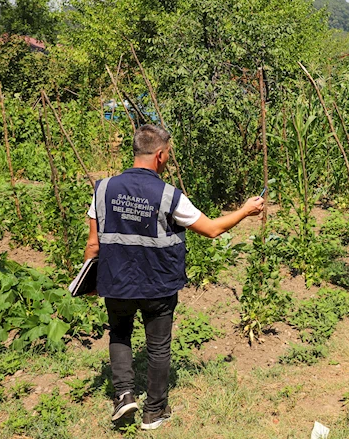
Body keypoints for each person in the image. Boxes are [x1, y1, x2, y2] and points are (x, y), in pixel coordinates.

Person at [83, 124, 264, 430]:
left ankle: (124, 395)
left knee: (120, 333)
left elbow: (93, 242)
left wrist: (89, 279)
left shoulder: (103, 189)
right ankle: (154, 412)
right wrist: (245, 211)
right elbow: (212, 230)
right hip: (157, 285)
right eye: (168, 154)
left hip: (115, 280)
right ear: (161, 155)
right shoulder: (169, 195)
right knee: (158, 346)